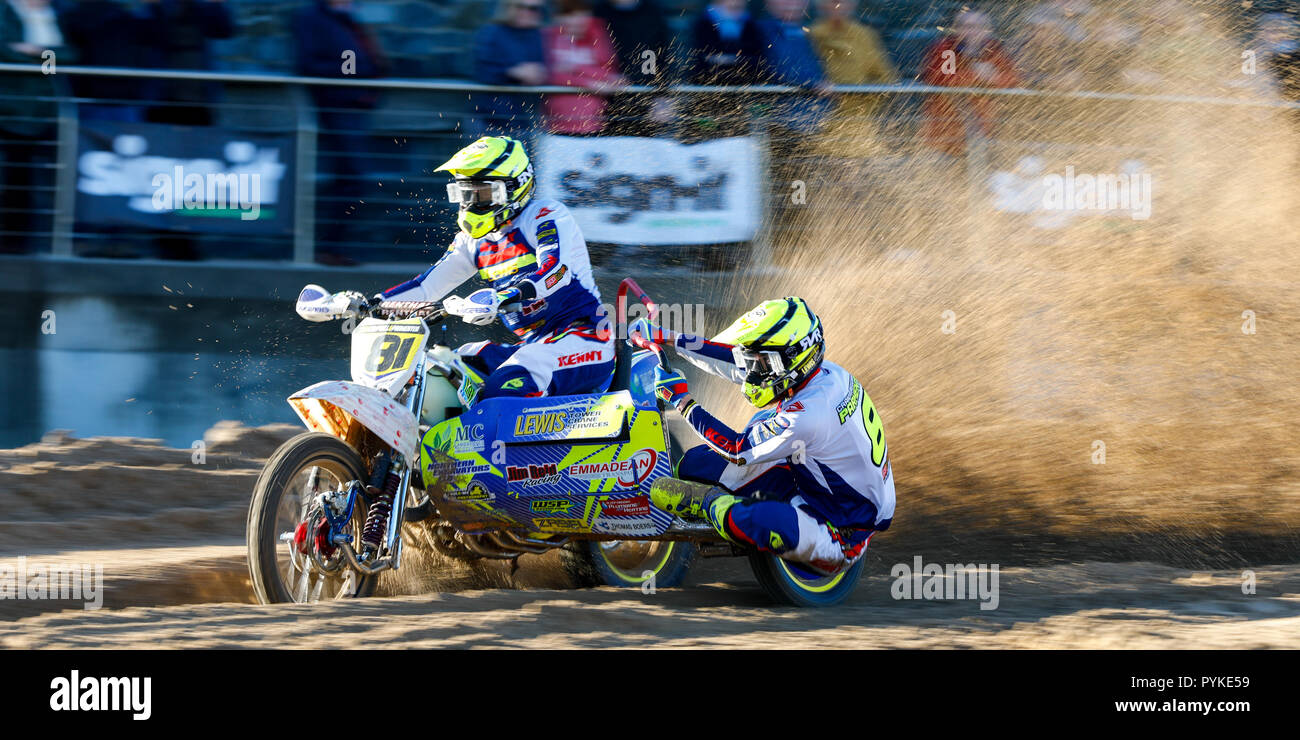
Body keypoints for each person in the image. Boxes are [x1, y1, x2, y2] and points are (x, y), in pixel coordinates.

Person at [632, 297, 895, 575]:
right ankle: (729, 502)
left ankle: (710, 503)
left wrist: (682, 401)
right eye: (754, 359)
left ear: (792, 358)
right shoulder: (824, 376)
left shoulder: (808, 415)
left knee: (755, 519)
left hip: (840, 532)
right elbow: (732, 360)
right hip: (811, 482)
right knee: (692, 466)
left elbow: (736, 448)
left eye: (762, 362)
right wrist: (669, 338)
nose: (754, 370)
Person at [376, 136, 613, 400]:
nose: (470, 204)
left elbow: (555, 272)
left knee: (507, 383)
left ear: (515, 187)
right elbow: (426, 287)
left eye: (482, 193)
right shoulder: (473, 241)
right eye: (465, 194)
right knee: (441, 368)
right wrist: (370, 304)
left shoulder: (544, 215)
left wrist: (503, 296)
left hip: (585, 338)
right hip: (532, 345)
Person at [293, 0, 387, 265]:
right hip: (338, 106)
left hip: (354, 108)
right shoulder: (312, 17)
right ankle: (329, 247)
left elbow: (355, 56)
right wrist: (353, 75)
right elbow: (310, 63)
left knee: (352, 177)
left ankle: (333, 247)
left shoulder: (346, 16)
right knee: (352, 176)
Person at [918, 8, 1019, 158]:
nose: (974, 31)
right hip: (945, 135)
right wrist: (979, 74)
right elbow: (943, 78)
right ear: (956, 29)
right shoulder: (945, 48)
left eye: (980, 26)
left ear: (988, 30)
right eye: (968, 26)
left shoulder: (994, 48)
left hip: (985, 132)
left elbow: (1014, 78)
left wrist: (993, 78)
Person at [593, 0, 677, 136]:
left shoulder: (653, 13)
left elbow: (663, 58)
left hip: (644, 98)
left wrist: (661, 96)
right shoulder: (598, 12)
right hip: (603, 101)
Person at [542, 0, 623, 134]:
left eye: (581, 14)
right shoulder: (549, 36)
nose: (576, 20)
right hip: (555, 124)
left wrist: (575, 68)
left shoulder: (597, 33)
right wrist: (589, 83)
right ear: (557, 17)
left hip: (594, 123)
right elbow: (550, 75)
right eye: (569, 15)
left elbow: (609, 74)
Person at [472, 0, 548, 138]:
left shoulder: (537, 36)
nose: (527, 12)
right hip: (489, 121)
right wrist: (514, 72)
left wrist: (538, 74)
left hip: (523, 122)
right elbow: (482, 71)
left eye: (534, 9)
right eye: (521, 7)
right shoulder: (492, 32)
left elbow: (545, 68)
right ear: (510, 7)